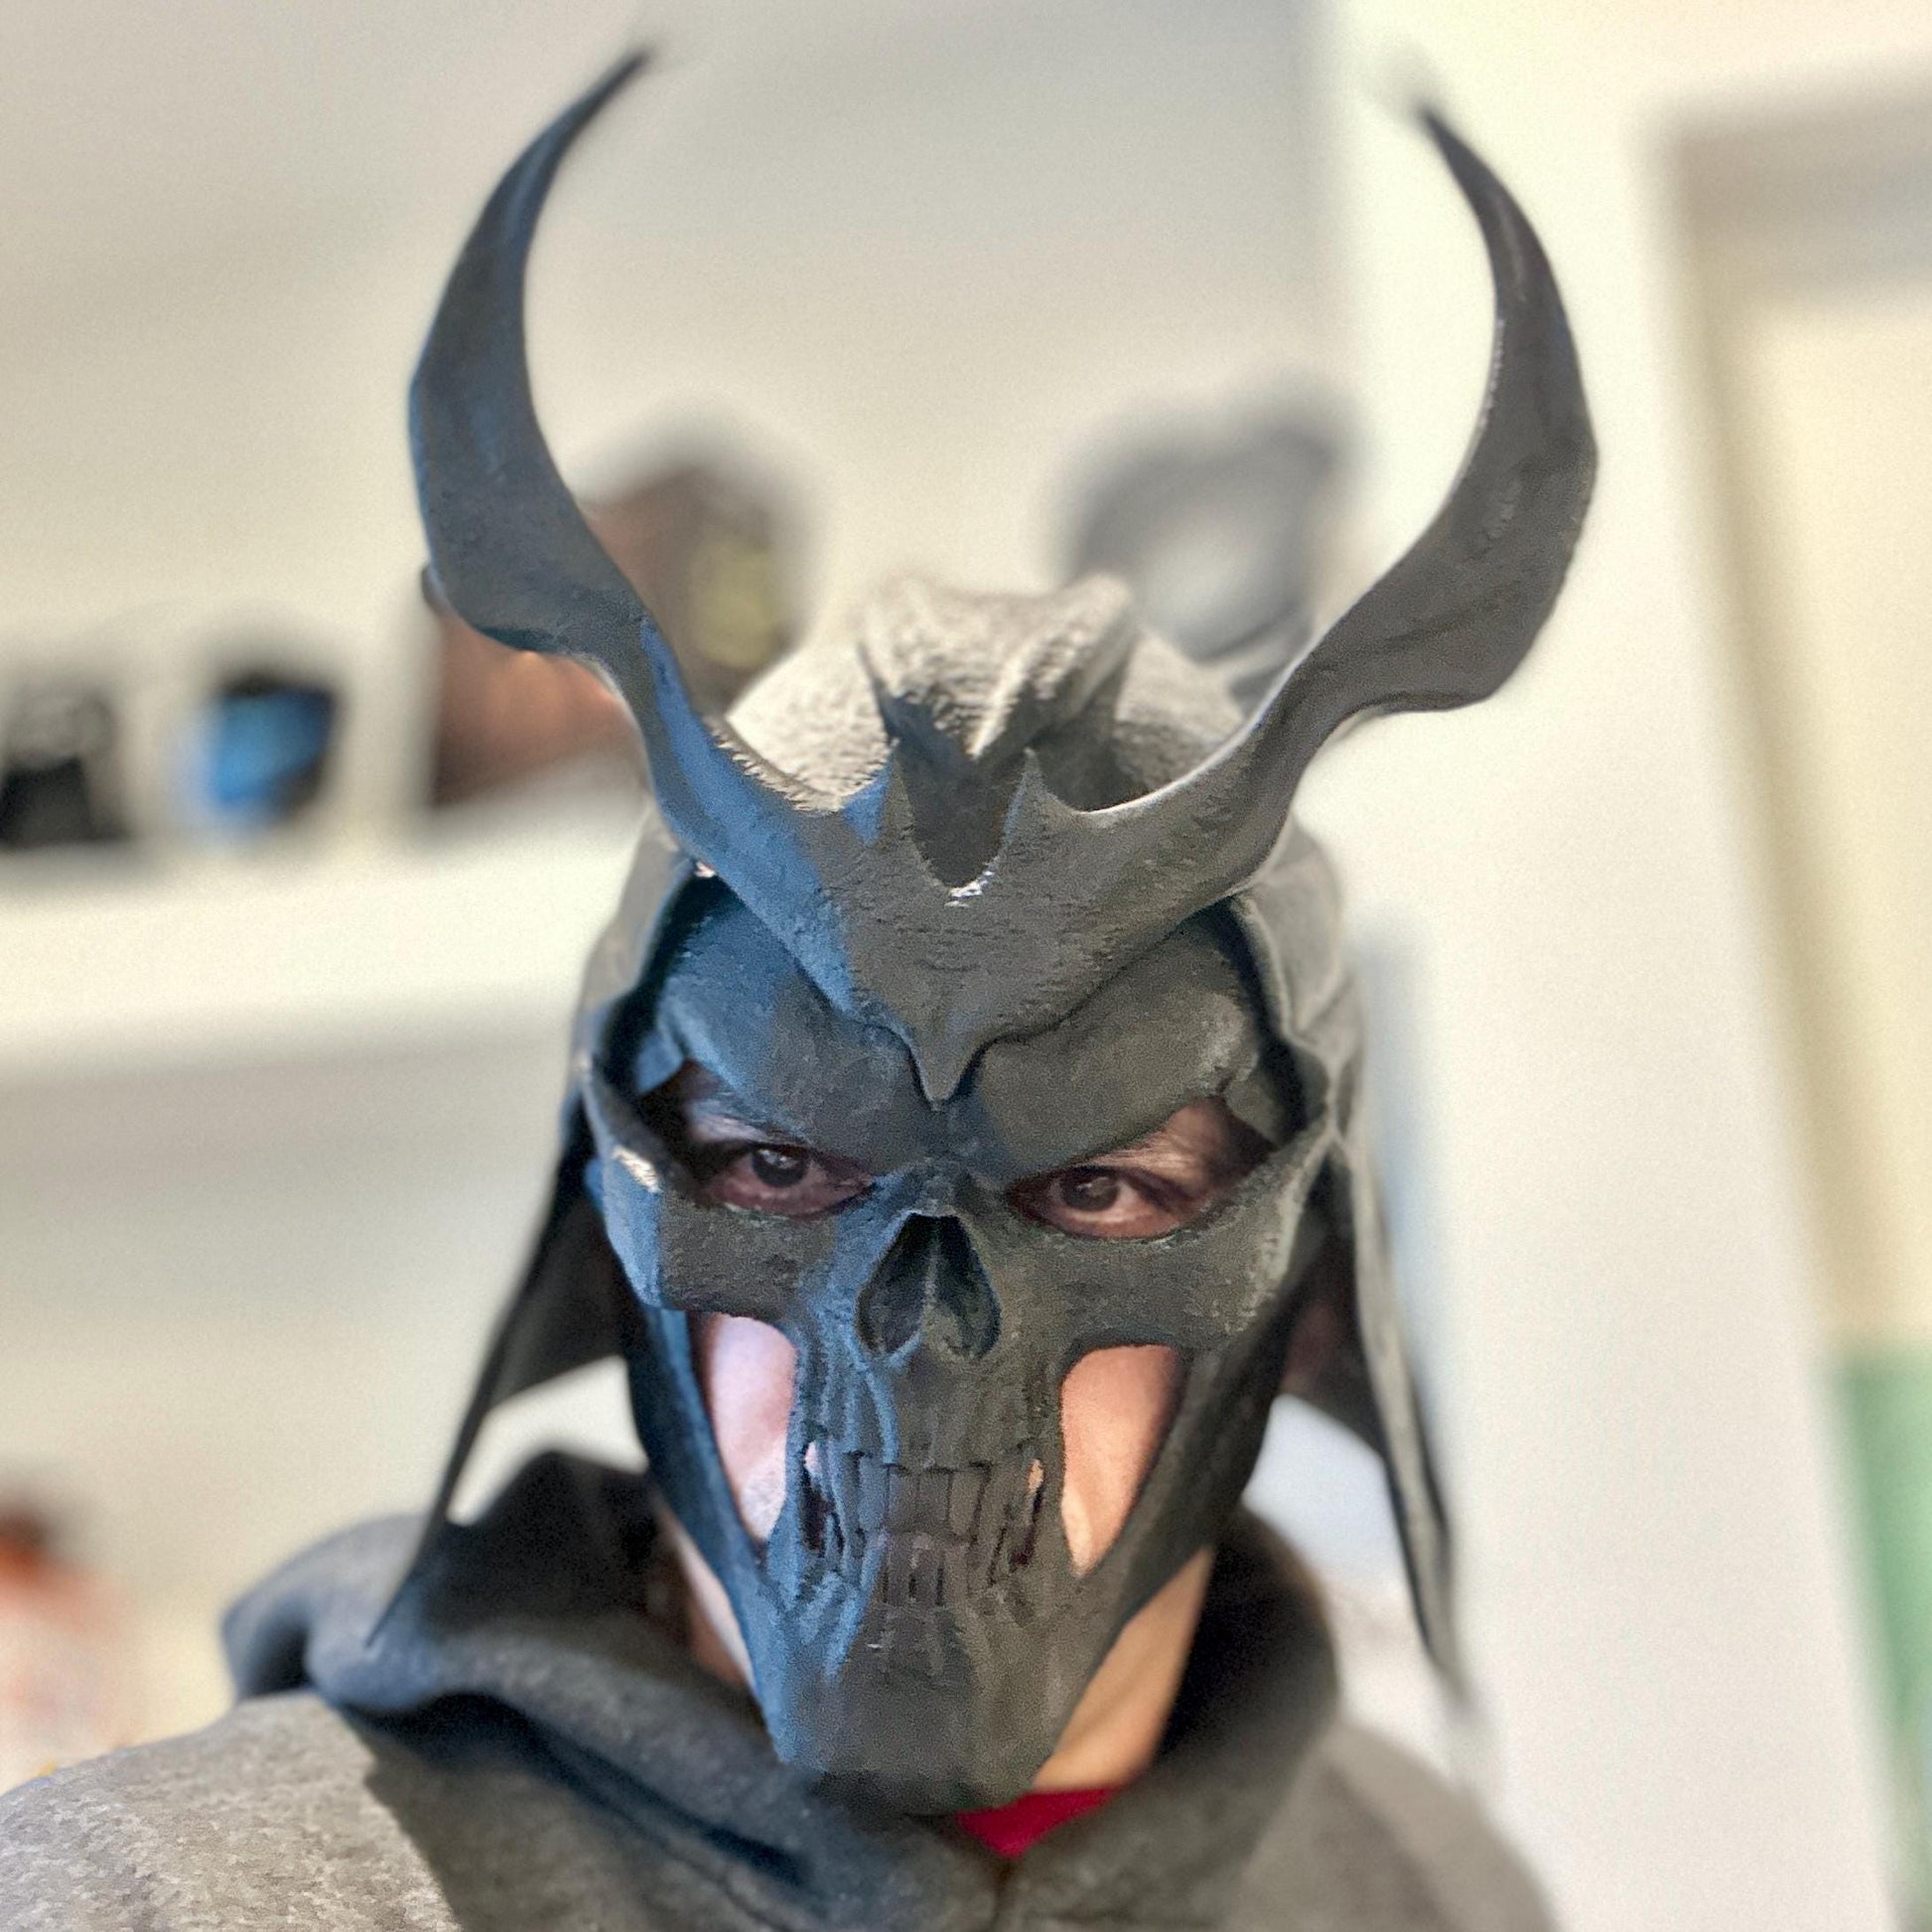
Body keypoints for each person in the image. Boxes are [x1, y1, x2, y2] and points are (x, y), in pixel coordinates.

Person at [0, 53, 1592, 1930]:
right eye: (772, 1166)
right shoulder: (166, 1897)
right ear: (612, 1230)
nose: (918, 1344)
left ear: (1305, 1293)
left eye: (1094, 1185)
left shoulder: (1428, 1887)